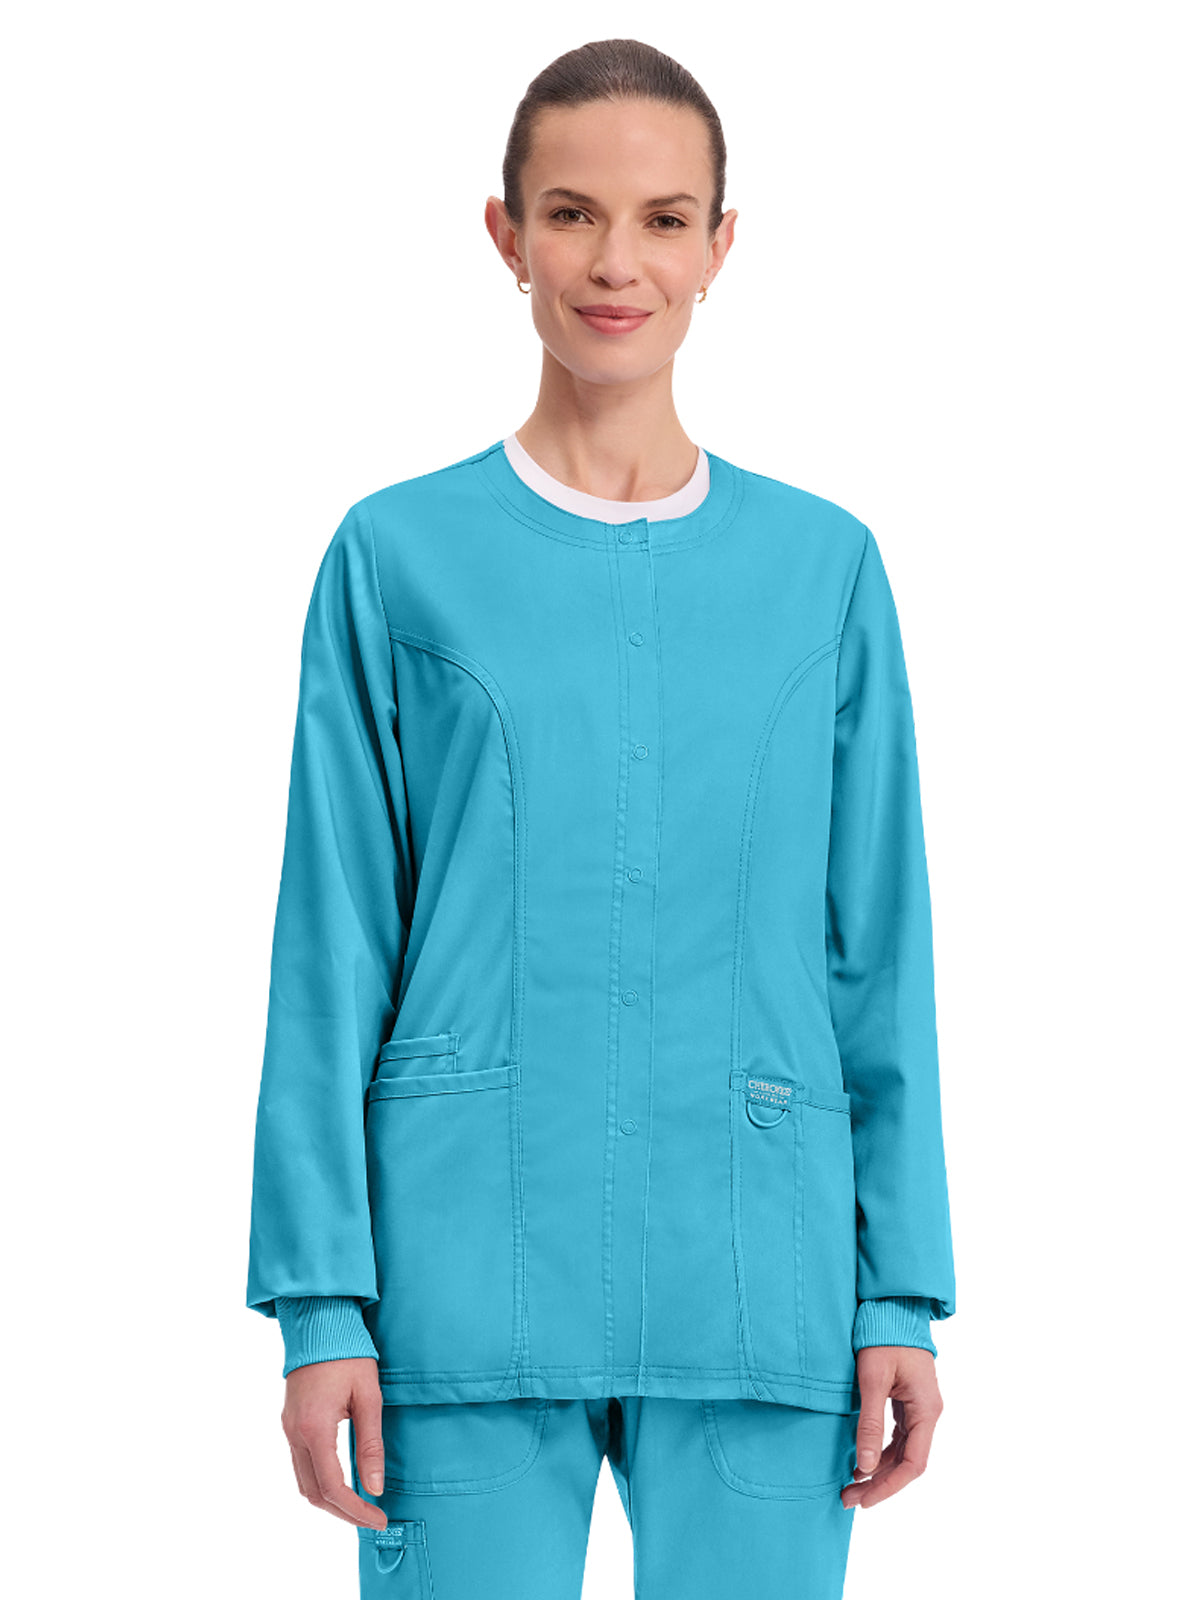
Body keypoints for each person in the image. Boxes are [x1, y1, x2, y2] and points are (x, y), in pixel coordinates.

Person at [245, 37, 956, 1600]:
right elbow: (332, 944)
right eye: (571, 214)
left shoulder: (824, 571)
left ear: (720, 245)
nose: (615, 263)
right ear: (505, 235)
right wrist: (319, 1307)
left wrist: (897, 1289)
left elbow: (876, 950)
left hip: (758, 1263)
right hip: (461, 1267)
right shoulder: (396, 557)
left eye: (661, 218)